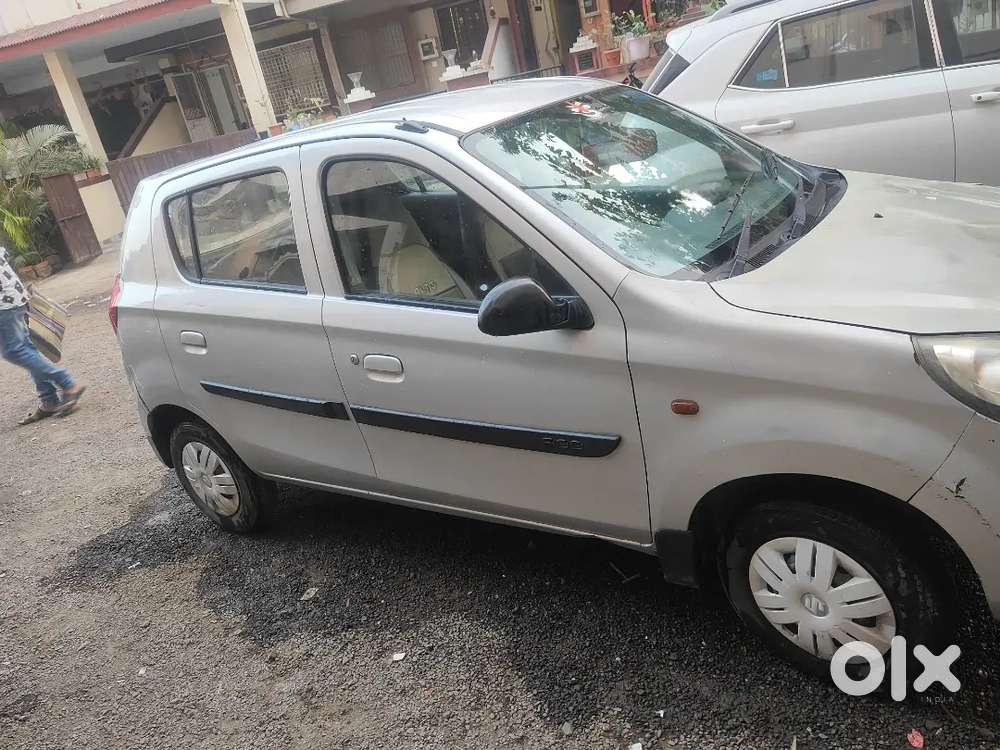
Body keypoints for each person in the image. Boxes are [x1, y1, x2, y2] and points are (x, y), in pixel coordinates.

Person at [0, 246, 85, 425]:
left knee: (14, 351)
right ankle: (49, 400)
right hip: (13, 296)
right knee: (26, 349)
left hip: (5, 303)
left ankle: (68, 383)